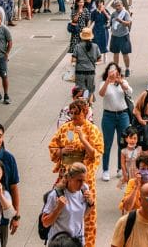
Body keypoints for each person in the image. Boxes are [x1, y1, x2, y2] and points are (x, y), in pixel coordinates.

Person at [50, 100, 104, 247]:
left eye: (77, 113)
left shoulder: (92, 130)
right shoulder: (65, 128)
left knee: (88, 216)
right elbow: (53, 147)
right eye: (71, 113)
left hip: (84, 179)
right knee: (62, 211)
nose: (74, 116)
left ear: (85, 112)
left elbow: (95, 154)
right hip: (66, 177)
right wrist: (61, 151)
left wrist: (83, 140)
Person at [40, 162, 94, 245]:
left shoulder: (84, 189)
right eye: (79, 180)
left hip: (77, 242)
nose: (82, 184)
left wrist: (91, 203)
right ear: (69, 178)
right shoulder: (55, 195)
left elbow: (82, 216)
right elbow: (45, 223)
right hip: (60, 243)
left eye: (84, 180)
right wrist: (58, 208)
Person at [98, 63, 134, 181]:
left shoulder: (123, 82)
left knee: (122, 142)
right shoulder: (104, 83)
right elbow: (101, 94)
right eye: (110, 70)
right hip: (108, 116)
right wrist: (108, 81)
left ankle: (120, 167)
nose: (113, 73)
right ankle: (105, 169)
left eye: (115, 70)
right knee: (107, 143)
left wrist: (121, 82)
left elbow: (129, 92)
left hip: (123, 114)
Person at [73, 28, 104, 100]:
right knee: (90, 90)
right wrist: (95, 63)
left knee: (80, 90)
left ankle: (83, 104)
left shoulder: (78, 46)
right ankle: (89, 104)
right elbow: (99, 59)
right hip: (91, 71)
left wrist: (74, 64)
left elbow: (74, 60)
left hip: (79, 71)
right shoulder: (95, 46)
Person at [110, 0, 134, 76]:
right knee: (115, 53)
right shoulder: (113, 14)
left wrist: (120, 21)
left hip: (123, 36)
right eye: (116, 6)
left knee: (125, 53)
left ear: (122, 5)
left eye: (119, 5)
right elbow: (111, 23)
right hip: (114, 35)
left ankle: (127, 68)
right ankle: (116, 68)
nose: (117, 7)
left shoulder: (125, 13)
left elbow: (128, 23)